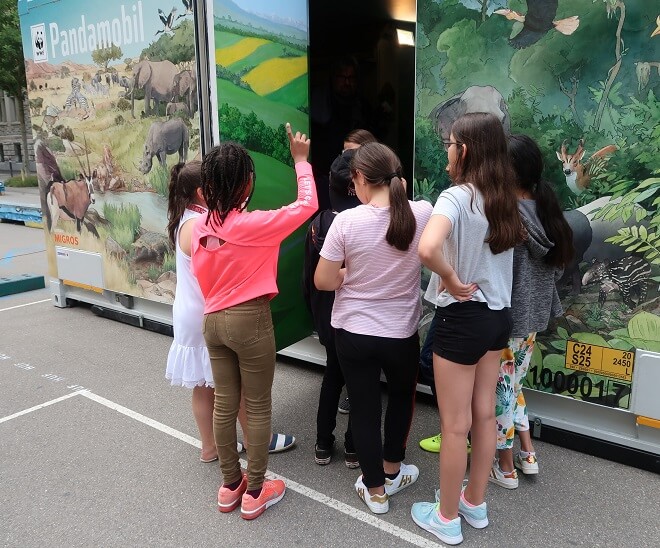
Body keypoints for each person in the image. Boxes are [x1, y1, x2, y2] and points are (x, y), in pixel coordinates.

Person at [191, 124, 318, 520]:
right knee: (259, 407)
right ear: (246, 185)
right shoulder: (253, 225)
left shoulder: (200, 227)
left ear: (208, 185)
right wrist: (301, 163)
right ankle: (257, 490)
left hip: (212, 321)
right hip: (251, 320)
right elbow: (306, 206)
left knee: (225, 405)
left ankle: (230, 487)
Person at [412, 112, 524, 545]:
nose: (447, 150)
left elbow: (427, 247)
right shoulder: (504, 198)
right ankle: (473, 502)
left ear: (467, 150)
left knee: (454, 424)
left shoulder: (456, 197)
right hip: (498, 317)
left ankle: (446, 516)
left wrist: (452, 280)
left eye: (450, 143)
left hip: (463, 317)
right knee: (486, 413)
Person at [315, 142, 432, 514]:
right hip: (401, 334)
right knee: (400, 400)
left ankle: (376, 491)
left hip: (354, 333)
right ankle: (393, 471)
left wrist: (348, 275)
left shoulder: (346, 222)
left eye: (355, 181)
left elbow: (323, 280)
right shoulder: (424, 213)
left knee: (364, 411)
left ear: (361, 178)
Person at [165, 162, 296, 465]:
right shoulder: (201, 225)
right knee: (231, 384)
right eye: (216, 185)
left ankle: (210, 446)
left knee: (204, 386)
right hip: (206, 309)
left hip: (189, 310)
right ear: (202, 192)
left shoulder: (185, 219)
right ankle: (253, 439)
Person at [489, 134, 573, 489]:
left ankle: (506, 468)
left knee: (501, 393)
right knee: (512, 384)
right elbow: (555, 270)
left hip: (507, 319)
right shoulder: (548, 212)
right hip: (532, 321)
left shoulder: (506, 218)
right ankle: (528, 453)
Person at [303, 129, 377, 468]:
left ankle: (321, 444)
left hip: (331, 323)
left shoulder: (319, 223)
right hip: (361, 322)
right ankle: (351, 448)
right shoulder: (369, 225)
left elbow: (310, 279)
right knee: (362, 386)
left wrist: (315, 317)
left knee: (332, 376)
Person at [311, 56, 376, 211]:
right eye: (342, 77)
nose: (347, 82)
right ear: (333, 78)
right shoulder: (320, 103)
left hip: (360, 180)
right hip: (325, 177)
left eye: (351, 77)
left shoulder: (363, 107)